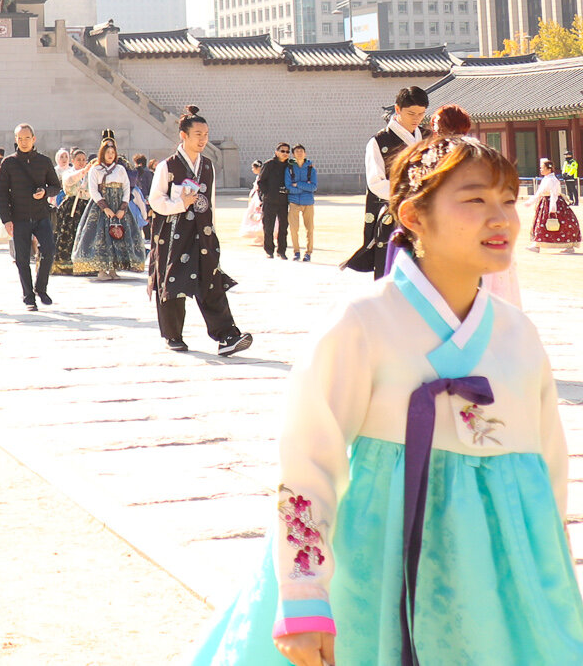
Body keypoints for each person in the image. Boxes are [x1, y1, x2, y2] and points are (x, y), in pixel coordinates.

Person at [186, 103, 583, 665]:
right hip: (372, 569)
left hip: (497, 583)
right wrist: (304, 594)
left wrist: (552, 581)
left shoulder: (518, 335)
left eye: (507, 201)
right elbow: (309, 459)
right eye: (475, 201)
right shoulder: (362, 321)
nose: (501, 219)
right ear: (414, 216)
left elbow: (548, 472)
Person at [148, 107, 252, 356]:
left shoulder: (207, 166)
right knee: (172, 283)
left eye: (206, 134)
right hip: (173, 235)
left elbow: (210, 202)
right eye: (198, 134)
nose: (203, 139)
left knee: (211, 283)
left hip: (202, 234)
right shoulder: (168, 166)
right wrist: (179, 204)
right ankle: (173, 335)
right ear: (183, 135)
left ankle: (227, 336)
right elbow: (155, 200)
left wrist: (212, 231)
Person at [348, 84, 427, 278]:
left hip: (425, 214)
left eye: (421, 114)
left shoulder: (427, 138)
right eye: (411, 113)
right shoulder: (379, 142)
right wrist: (411, 195)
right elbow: (376, 183)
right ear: (397, 109)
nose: (416, 119)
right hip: (394, 214)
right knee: (391, 274)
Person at [0, 127, 60, 310]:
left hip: (41, 215)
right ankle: (28, 297)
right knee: (22, 258)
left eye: (27, 138)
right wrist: (6, 219)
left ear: (33, 139)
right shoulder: (9, 163)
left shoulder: (44, 161)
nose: (23, 142)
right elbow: (2, 193)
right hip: (19, 217)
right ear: (15, 139)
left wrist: (45, 192)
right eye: (20, 138)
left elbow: (56, 186)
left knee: (49, 250)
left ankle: (40, 288)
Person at [71, 135, 145, 281]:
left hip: (118, 206)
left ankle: (113, 268)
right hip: (100, 207)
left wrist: (123, 207)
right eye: (107, 153)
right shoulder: (96, 169)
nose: (110, 155)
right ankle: (101, 270)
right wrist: (105, 208)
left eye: (112, 153)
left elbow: (126, 188)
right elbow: (93, 190)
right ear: (102, 153)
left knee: (118, 235)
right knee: (100, 237)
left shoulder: (120, 169)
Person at [529, 157, 579, 253]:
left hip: (554, 203)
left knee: (561, 224)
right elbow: (539, 193)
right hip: (545, 202)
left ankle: (569, 246)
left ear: (549, 169)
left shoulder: (552, 180)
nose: (541, 170)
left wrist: (552, 208)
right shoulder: (546, 179)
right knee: (541, 224)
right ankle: (536, 245)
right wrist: (531, 201)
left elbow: (553, 194)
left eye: (542, 168)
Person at [258, 142, 293, 260]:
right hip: (270, 201)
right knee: (268, 227)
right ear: (276, 152)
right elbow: (261, 181)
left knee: (283, 227)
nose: (285, 154)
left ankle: (282, 251)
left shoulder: (290, 166)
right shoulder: (269, 165)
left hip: (284, 202)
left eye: (287, 151)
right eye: (282, 151)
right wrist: (266, 194)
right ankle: (269, 250)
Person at [283, 144, 318, 262]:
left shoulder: (311, 169)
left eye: (301, 151)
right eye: (297, 151)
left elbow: (313, 187)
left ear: (305, 153)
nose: (299, 153)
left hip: (308, 202)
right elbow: (288, 186)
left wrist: (297, 184)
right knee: (293, 229)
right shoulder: (289, 169)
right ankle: (296, 251)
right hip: (294, 202)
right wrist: (304, 187)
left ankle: (308, 253)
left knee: (310, 229)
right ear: (293, 154)